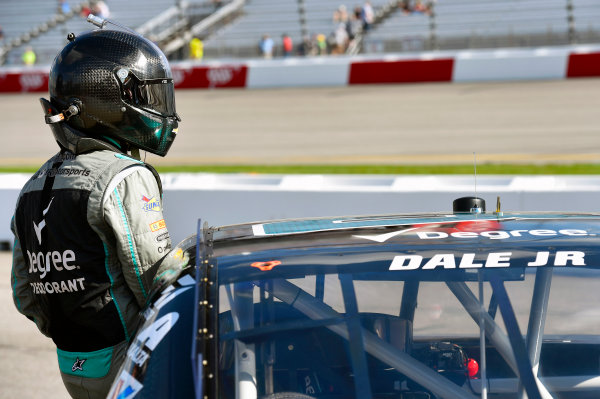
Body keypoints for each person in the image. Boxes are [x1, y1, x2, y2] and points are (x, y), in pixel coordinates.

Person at [10, 28, 180, 399]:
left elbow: (25, 294)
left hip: (71, 364)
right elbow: (158, 284)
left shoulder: (33, 186)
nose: (156, 105)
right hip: (132, 364)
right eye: (142, 93)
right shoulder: (125, 176)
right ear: (104, 101)